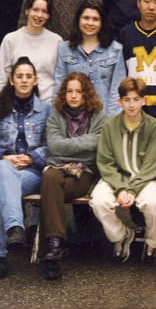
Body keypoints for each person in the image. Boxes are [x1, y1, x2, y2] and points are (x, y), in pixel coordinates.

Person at [0, 56, 51, 279]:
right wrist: (3, 156)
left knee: (6, 189)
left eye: (28, 76)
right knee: (4, 172)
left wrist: (31, 158)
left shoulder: (46, 110)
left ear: (35, 80)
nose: (24, 80)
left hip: (30, 172)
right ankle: (15, 227)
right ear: (11, 80)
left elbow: (52, 144)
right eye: (19, 76)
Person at [40, 72, 107, 280]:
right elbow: (54, 147)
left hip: (85, 172)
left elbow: (96, 150)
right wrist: (89, 140)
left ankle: (53, 244)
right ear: (64, 94)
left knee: (52, 190)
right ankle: (55, 244)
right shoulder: (55, 116)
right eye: (69, 91)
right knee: (50, 179)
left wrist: (67, 148)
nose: (74, 95)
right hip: (57, 168)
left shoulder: (99, 116)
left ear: (86, 93)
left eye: (79, 91)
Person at [89, 77, 156, 262]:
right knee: (99, 202)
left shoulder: (154, 126)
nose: (131, 105)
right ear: (120, 101)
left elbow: (152, 164)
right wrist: (121, 189)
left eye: (136, 99)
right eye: (127, 100)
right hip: (114, 178)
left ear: (144, 100)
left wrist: (132, 190)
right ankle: (121, 235)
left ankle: (152, 241)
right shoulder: (110, 125)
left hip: (144, 178)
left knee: (153, 203)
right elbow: (105, 162)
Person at [54, 1, 126, 116]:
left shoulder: (115, 50)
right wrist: (58, 118)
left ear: (102, 23)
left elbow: (117, 89)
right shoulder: (64, 49)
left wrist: (111, 122)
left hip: (103, 116)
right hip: (72, 118)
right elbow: (59, 86)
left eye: (95, 19)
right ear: (78, 20)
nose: (90, 23)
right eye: (86, 18)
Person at [0, 0, 62, 103]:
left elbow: (61, 78)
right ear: (27, 11)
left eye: (44, 11)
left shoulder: (56, 41)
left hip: (48, 105)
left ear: (48, 16)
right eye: (35, 10)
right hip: (17, 105)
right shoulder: (11, 39)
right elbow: (1, 78)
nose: (39, 15)